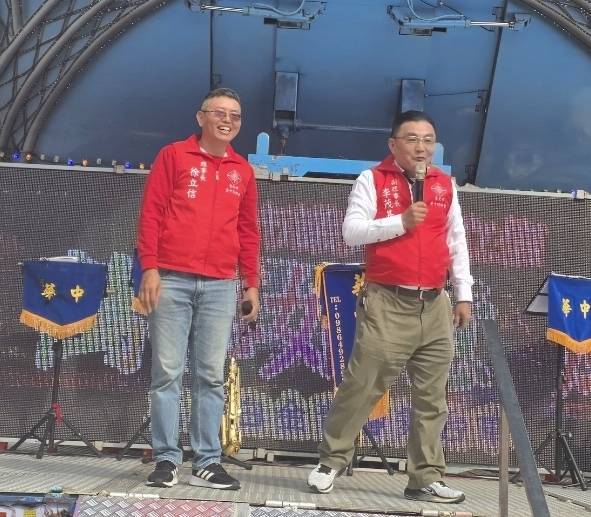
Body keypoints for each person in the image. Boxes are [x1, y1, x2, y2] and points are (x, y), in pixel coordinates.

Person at [307, 110, 473, 503]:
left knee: (432, 397)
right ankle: (331, 461)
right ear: (393, 144)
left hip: (434, 303)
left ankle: (425, 476)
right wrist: (400, 221)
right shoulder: (373, 180)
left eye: (428, 140)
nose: (421, 147)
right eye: (412, 139)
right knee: (363, 384)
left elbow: (456, 239)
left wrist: (463, 293)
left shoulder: (444, 184)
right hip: (388, 300)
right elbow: (351, 232)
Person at [137, 87, 260, 490]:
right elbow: (152, 213)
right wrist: (150, 268)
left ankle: (207, 461)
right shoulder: (174, 156)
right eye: (219, 113)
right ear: (201, 117)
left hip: (221, 284)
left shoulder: (242, 170)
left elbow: (248, 231)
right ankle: (166, 458)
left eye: (235, 115)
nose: (227, 120)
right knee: (167, 373)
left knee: (210, 375)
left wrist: (251, 283)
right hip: (171, 278)